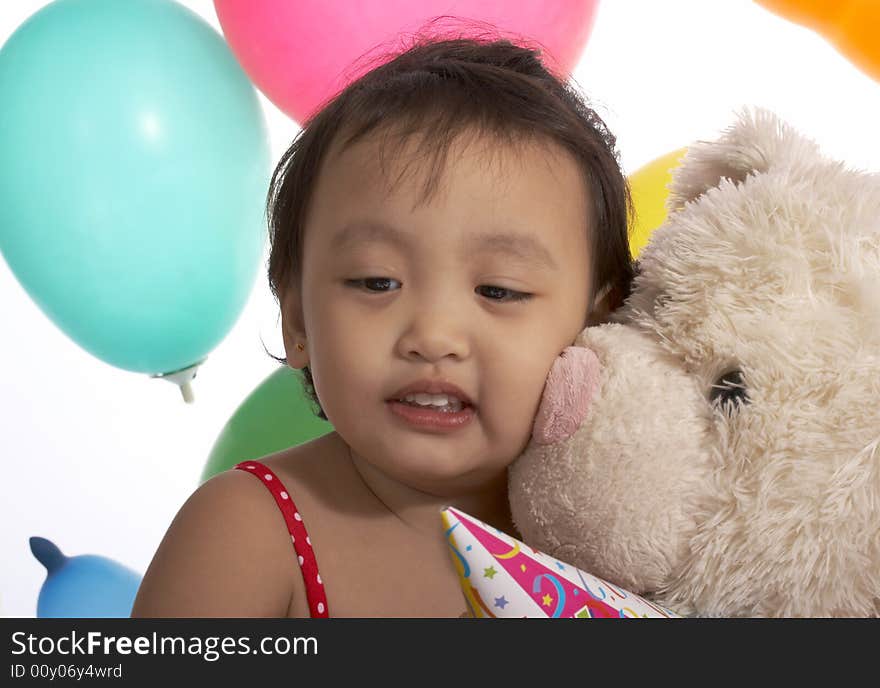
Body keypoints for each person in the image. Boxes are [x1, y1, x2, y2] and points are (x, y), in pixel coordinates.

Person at [131, 33, 634, 618]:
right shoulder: (249, 534)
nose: (434, 336)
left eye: (499, 290)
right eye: (377, 282)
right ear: (297, 317)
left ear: (599, 324)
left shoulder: (628, 538)